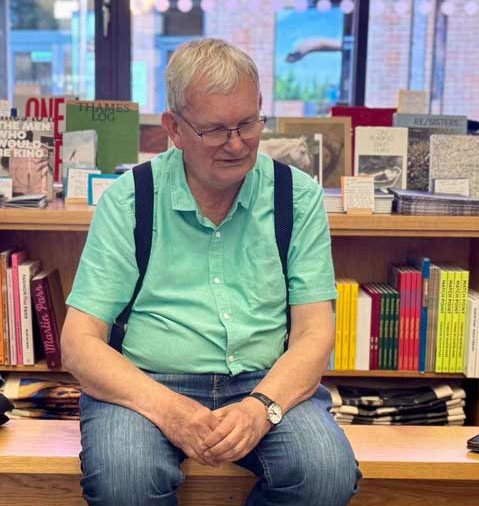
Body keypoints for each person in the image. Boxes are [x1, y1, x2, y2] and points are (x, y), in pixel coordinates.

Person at [61, 38, 361, 506]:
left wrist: (261, 409)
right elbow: (79, 343)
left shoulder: (296, 197)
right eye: (217, 131)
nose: (237, 144)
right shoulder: (130, 198)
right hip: (148, 380)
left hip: (264, 380)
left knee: (324, 473)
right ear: (174, 128)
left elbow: (314, 335)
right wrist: (170, 410)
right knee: (125, 480)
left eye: (248, 123)